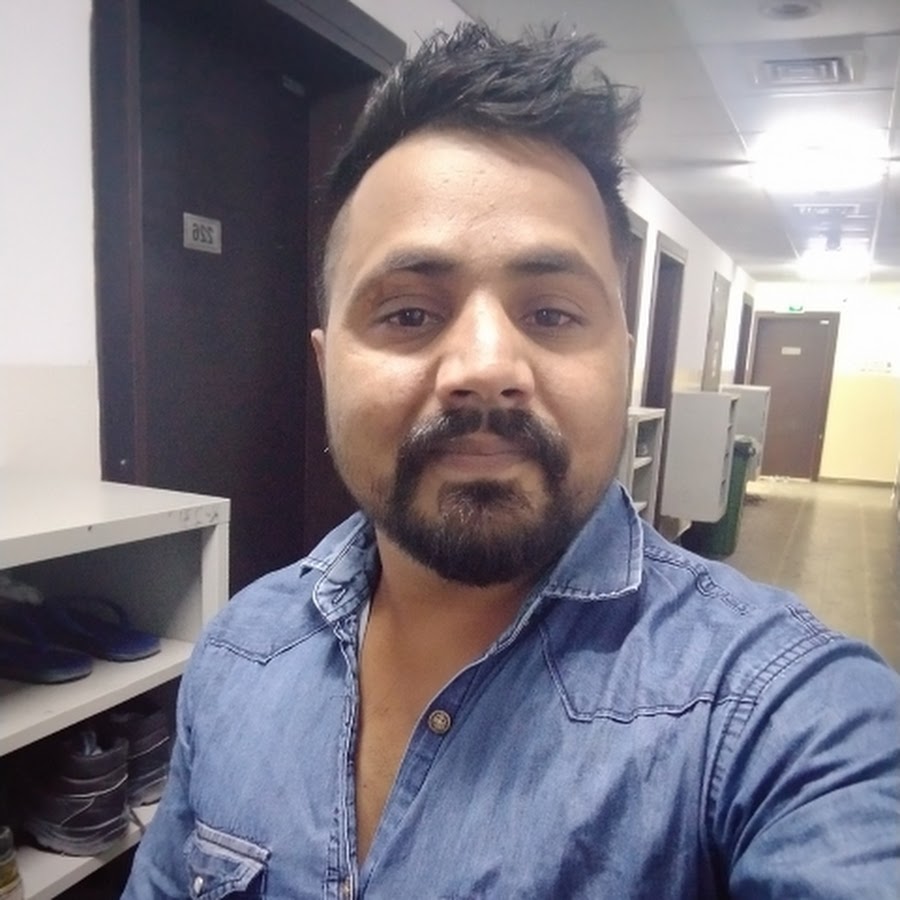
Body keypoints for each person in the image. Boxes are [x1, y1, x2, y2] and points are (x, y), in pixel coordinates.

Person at [123, 23, 899, 899]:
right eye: (409, 314)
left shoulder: (783, 711)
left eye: (552, 313)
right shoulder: (238, 651)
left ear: (622, 360)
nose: (486, 366)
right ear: (325, 365)